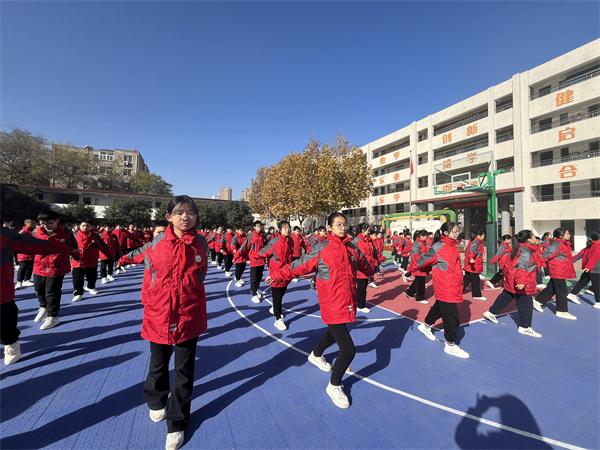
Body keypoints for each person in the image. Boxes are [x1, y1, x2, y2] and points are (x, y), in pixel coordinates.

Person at [266, 212, 375, 409]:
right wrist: (277, 275)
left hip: (347, 300)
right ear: (330, 227)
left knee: (334, 333)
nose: (342, 227)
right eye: (338, 224)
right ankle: (334, 385)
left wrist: (372, 272)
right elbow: (298, 265)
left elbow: (365, 265)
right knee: (348, 350)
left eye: (344, 224)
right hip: (331, 301)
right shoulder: (322, 248)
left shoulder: (352, 248)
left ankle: (316, 354)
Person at [124, 195, 208, 450]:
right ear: (169, 216)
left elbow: (200, 276)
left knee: (184, 372)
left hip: (188, 316)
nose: (185, 216)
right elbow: (149, 276)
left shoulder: (201, 244)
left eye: (190, 212)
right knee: (158, 365)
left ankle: (177, 424)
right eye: (179, 212)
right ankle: (156, 399)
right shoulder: (157, 243)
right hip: (159, 314)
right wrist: (151, 303)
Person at [1, 225, 74, 364]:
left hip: (2, 292)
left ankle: (11, 343)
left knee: (5, 323)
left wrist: (65, 248)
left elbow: (36, 244)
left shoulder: (4, 235)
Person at [416, 221, 470, 359]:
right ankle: (450, 344)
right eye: (454, 231)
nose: (457, 233)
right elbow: (421, 262)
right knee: (452, 318)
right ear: (445, 233)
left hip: (452, 283)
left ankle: (426, 326)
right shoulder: (439, 246)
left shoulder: (452, 245)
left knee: (439, 307)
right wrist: (428, 268)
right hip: (445, 285)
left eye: (458, 231)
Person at [483, 230, 544, 337]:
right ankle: (525, 327)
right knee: (526, 304)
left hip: (512, 278)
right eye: (534, 236)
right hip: (521, 280)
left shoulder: (520, 248)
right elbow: (522, 267)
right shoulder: (526, 252)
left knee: (507, 296)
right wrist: (521, 281)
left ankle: (491, 312)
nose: (536, 238)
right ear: (529, 239)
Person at [31, 210, 78, 330]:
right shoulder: (36, 232)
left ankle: (53, 316)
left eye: (50, 223)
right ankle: (43, 308)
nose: (46, 226)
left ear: (57, 221)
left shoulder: (66, 233)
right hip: (39, 265)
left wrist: (76, 258)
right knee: (38, 290)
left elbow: (73, 249)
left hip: (56, 267)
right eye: (43, 223)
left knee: (52, 292)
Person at [534, 228, 577, 319]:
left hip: (561, 269)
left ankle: (538, 301)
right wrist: (538, 264)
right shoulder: (557, 244)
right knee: (562, 291)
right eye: (567, 233)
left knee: (552, 288)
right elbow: (546, 255)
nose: (569, 235)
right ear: (561, 235)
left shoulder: (563, 243)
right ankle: (561, 311)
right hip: (557, 270)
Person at [258, 221, 294, 330]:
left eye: (288, 227)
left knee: (282, 291)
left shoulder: (290, 240)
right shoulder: (275, 241)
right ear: (279, 229)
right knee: (277, 295)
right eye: (284, 228)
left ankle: (275, 307)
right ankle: (278, 319)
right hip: (276, 272)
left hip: (286, 271)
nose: (287, 230)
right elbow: (262, 252)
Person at [71, 222, 110, 302]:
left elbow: (103, 246)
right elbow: (68, 247)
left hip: (91, 260)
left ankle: (91, 287)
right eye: (83, 226)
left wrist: (109, 254)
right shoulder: (74, 235)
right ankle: (78, 293)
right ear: (80, 226)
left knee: (92, 277)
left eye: (87, 225)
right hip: (78, 261)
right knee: (77, 279)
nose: (85, 227)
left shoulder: (95, 236)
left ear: (91, 226)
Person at [237, 220, 267, 303]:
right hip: (254, 260)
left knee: (259, 277)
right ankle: (254, 294)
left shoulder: (263, 235)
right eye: (257, 226)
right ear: (254, 227)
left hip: (261, 259)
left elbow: (266, 246)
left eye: (260, 226)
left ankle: (257, 290)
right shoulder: (251, 236)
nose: (259, 228)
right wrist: (237, 255)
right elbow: (244, 247)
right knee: (253, 278)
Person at [568, 232, 600, 309]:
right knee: (597, 286)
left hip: (589, 268)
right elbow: (594, 257)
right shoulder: (598, 246)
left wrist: (570, 261)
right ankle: (598, 302)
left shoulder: (590, 245)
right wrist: (589, 267)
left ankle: (572, 294)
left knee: (582, 282)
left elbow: (579, 255)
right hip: (595, 269)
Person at [352, 223, 378, 313]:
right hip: (360, 268)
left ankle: (358, 302)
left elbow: (372, 252)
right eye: (367, 229)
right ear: (362, 230)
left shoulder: (369, 240)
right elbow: (353, 255)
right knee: (361, 288)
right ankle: (360, 305)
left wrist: (377, 260)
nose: (369, 231)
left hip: (368, 267)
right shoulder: (356, 241)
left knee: (363, 287)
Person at [405, 230, 430, 304]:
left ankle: (409, 292)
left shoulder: (422, 243)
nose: (427, 238)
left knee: (418, 281)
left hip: (421, 265)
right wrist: (421, 264)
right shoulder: (417, 244)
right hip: (419, 266)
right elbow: (415, 257)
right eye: (426, 236)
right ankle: (420, 298)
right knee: (421, 282)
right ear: (421, 236)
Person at [463, 229, 487, 301]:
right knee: (475, 280)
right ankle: (477, 295)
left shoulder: (475, 241)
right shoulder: (476, 242)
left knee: (466, 279)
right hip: (474, 265)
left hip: (471, 265)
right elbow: (472, 251)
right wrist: (471, 258)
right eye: (483, 236)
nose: (484, 237)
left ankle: (457, 290)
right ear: (478, 236)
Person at [14, 219, 37, 289]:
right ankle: (19, 282)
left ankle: (26, 280)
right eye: (31, 223)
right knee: (22, 267)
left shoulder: (31, 232)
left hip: (30, 253)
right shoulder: (22, 232)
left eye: (33, 223)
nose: (33, 224)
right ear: (26, 224)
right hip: (23, 254)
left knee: (30, 267)